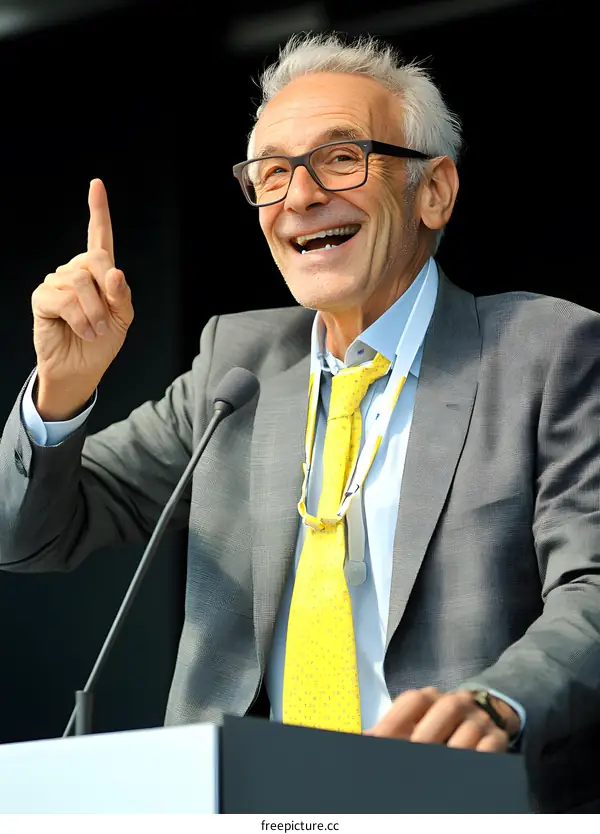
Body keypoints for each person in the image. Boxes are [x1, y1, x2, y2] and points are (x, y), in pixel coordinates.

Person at [1, 32, 600, 812]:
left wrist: (497, 703)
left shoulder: (546, 352)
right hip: (241, 808)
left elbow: (591, 587)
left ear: (435, 191)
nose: (301, 196)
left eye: (341, 158)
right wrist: (61, 392)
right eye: (272, 173)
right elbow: (30, 535)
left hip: (449, 802)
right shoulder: (234, 363)